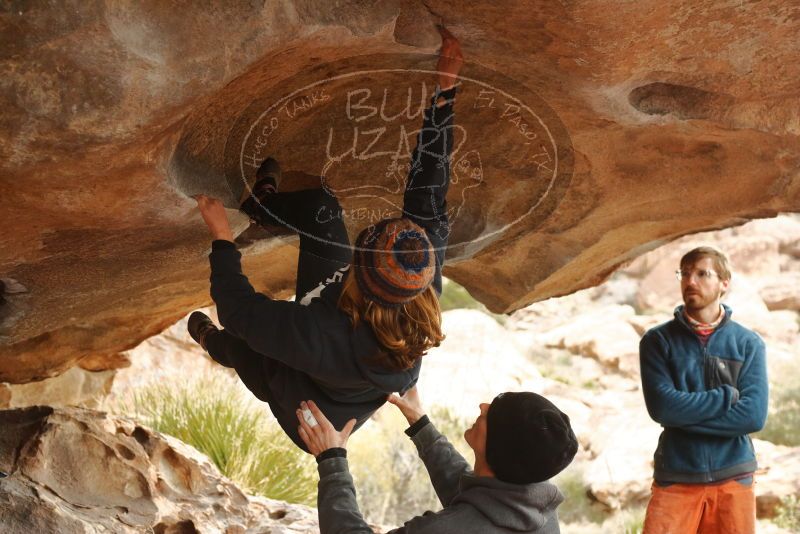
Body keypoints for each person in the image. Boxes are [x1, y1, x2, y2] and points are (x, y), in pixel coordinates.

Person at [189, 26, 464, 451]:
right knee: (321, 209)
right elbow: (428, 184)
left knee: (251, 349)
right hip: (345, 340)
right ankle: (262, 207)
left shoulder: (322, 336)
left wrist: (222, 239)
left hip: (312, 414)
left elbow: (239, 309)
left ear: (359, 273)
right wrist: (445, 95)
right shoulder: (417, 265)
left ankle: (213, 345)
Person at [295, 386, 578, 533]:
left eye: (493, 414)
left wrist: (332, 460)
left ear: (498, 448)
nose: (483, 406)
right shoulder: (540, 513)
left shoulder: (445, 530)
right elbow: (479, 499)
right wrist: (421, 425)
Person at [639, 246, 768, 534]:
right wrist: (725, 397)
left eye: (701, 273)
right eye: (684, 274)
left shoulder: (748, 344)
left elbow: (753, 418)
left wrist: (683, 416)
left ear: (725, 282)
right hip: (676, 477)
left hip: (734, 478)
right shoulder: (657, 341)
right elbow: (662, 408)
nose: (690, 281)